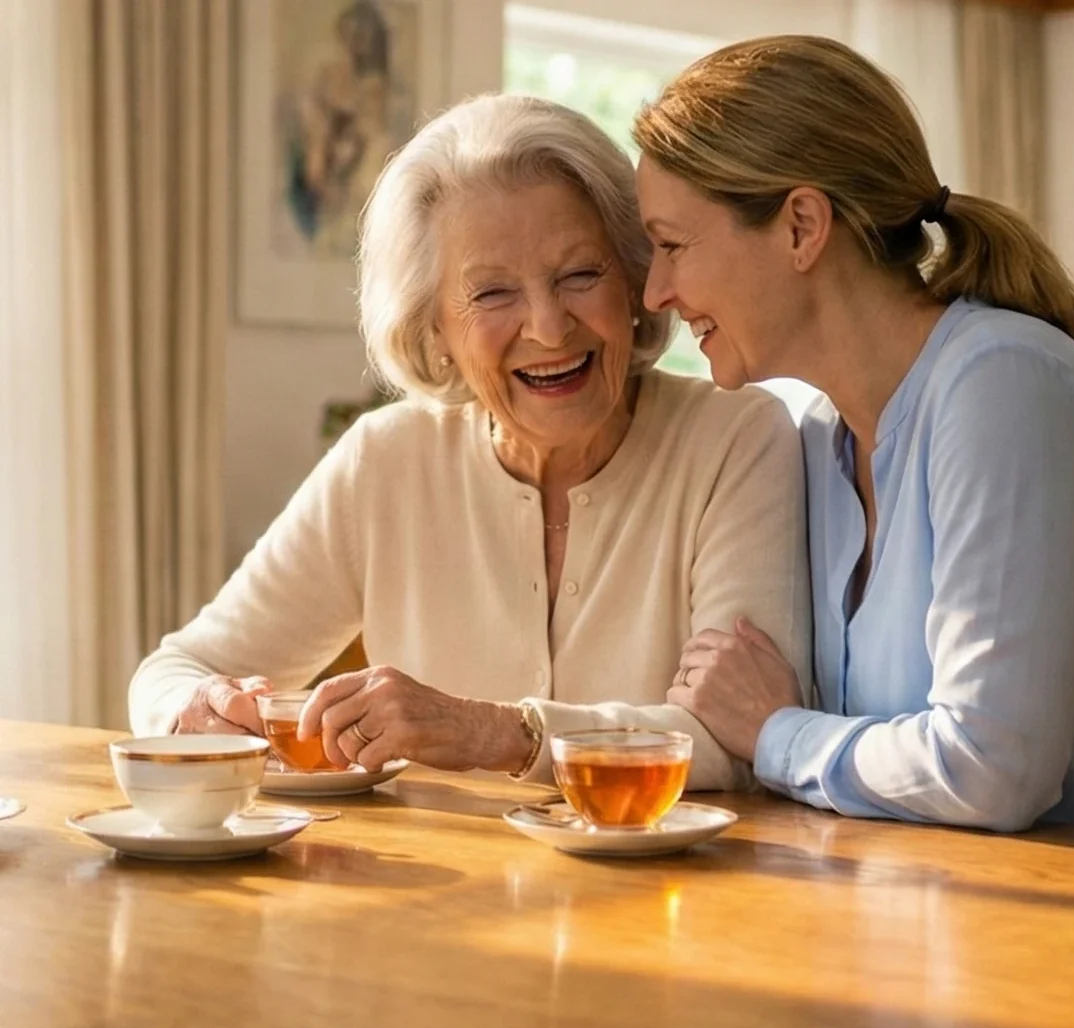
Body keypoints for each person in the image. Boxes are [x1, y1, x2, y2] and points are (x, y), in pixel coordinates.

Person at [634, 35, 1074, 842]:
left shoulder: (1004, 387)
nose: (656, 292)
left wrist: (775, 731)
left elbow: (993, 768)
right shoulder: (814, 437)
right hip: (983, 903)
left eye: (670, 246)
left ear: (802, 226)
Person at [128, 93, 810, 790]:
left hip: (682, 895)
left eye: (581, 274)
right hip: (437, 897)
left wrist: (495, 732)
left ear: (637, 282)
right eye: (491, 295)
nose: (548, 327)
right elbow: (175, 669)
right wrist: (195, 710)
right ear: (435, 331)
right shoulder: (385, 462)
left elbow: (738, 743)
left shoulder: (737, 440)